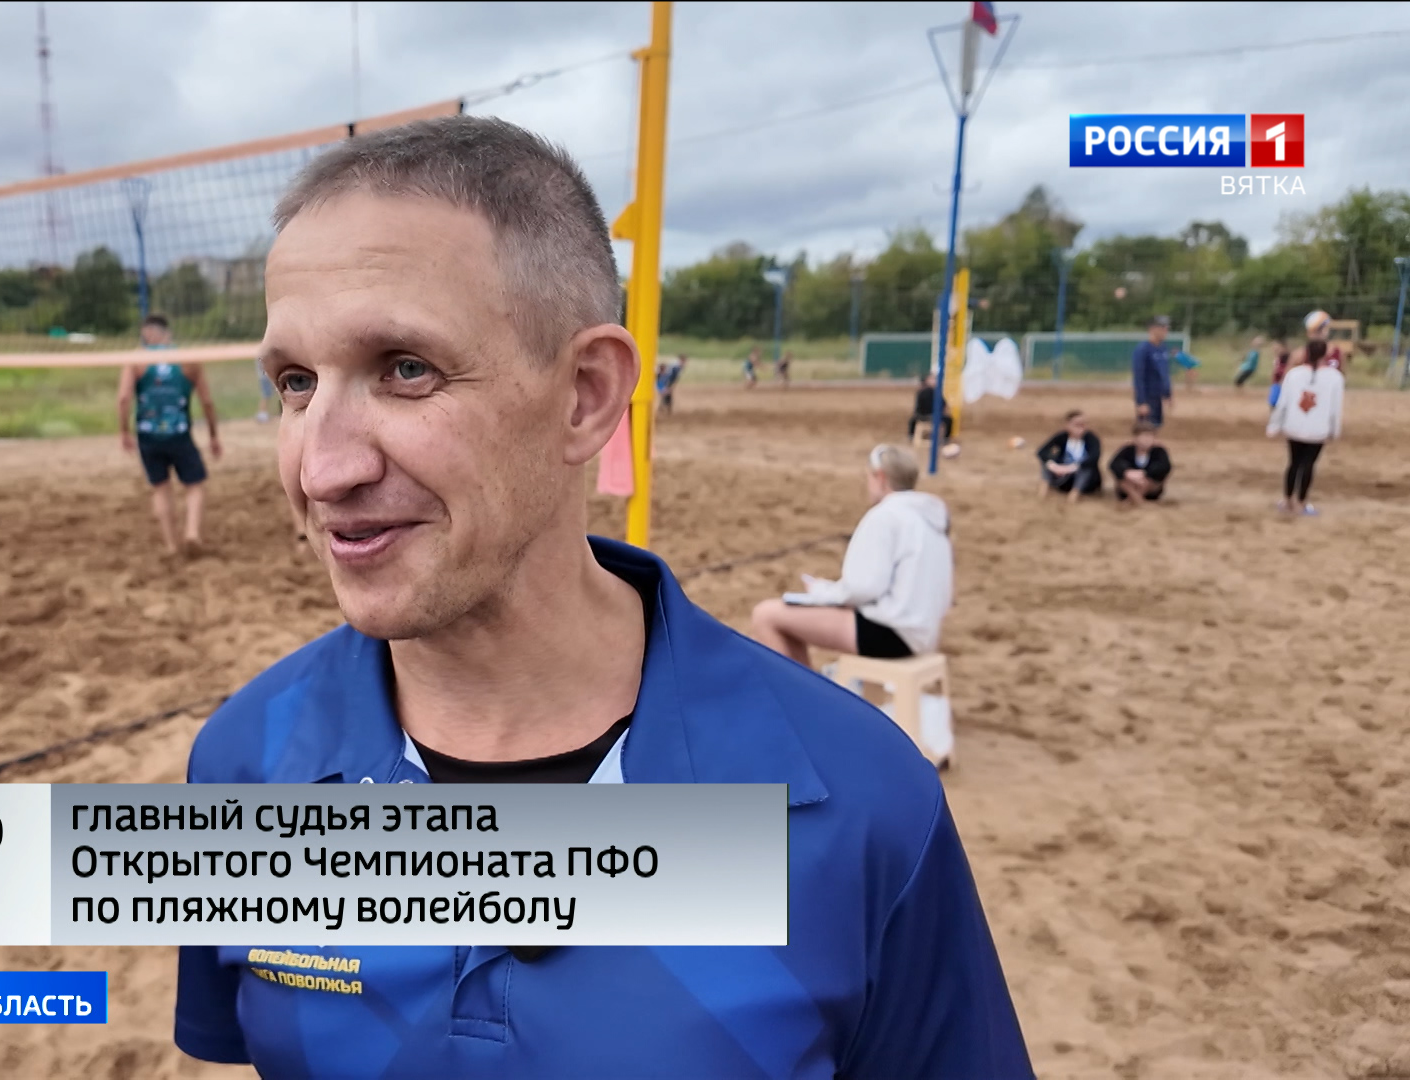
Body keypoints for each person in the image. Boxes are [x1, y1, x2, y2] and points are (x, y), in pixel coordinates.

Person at [175, 115, 1030, 1079]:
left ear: (585, 394)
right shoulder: (243, 760)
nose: (320, 469)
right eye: (295, 382)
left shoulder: (866, 805)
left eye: (406, 369)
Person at [750, 444, 953, 670]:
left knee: (766, 615)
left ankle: (802, 692)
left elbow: (863, 589)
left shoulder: (885, 516)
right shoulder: (931, 518)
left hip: (891, 632)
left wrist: (822, 592)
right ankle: (806, 688)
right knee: (790, 618)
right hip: (923, 632)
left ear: (880, 477)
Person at [117, 314, 222, 554]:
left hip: (148, 434)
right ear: (168, 333)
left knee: (161, 488)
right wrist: (213, 436)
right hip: (179, 433)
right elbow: (207, 402)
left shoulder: (136, 359)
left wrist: (124, 431)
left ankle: (171, 545)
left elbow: (123, 399)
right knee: (194, 484)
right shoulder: (188, 360)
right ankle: (192, 533)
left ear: (145, 334)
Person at [1267, 339, 1344, 517]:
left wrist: (1274, 425)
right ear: (1325, 354)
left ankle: (1287, 501)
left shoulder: (1293, 374)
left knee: (1293, 463)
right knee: (1309, 464)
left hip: (1294, 426)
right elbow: (1336, 408)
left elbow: (1282, 402)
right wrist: (1335, 430)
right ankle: (1301, 503)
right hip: (1318, 430)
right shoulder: (1335, 377)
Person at [1035, 409, 1102, 501]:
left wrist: (1072, 468)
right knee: (1046, 462)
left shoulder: (1091, 439)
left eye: (1083, 424)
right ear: (1068, 425)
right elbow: (1042, 452)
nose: (1080, 428)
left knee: (1086, 468)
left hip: (1084, 479)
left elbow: (1094, 457)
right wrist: (1054, 466)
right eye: (1077, 424)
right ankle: (1043, 492)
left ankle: (1074, 495)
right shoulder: (1062, 437)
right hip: (1063, 477)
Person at [1108, 420, 1172, 508]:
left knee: (1146, 483)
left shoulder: (1159, 452)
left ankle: (1132, 501)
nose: (1146, 440)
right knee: (1124, 483)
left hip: (1150, 486)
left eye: (1149, 437)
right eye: (1143, 437)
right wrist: (1127, 472)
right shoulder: (1127, 450)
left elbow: (1164, 466)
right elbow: (1114, 464)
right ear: (1135, 438)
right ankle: (1139, 501)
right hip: (1129, 483)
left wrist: (1144, 474)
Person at [1130, 315, 1175, 425]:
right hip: (1148, 397)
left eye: (1166, 328)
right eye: (1162, 327)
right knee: (1146, 429)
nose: (1165, 331)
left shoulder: (1163, 348)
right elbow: (1138, 377)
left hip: (1158, 398)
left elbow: (1164, 373)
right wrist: (1141, 402)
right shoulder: (1142, 349)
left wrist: (1168, 394)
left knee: (1156, 427)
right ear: (1152, 329)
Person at [906, 372, 951, 441]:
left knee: (913, 420)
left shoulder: (932, 392)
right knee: (948, 420)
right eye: (932, 379)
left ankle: (911, 436)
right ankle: (946, 438)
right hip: (927, 415)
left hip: (925, 415)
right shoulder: (927, 392)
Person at [253, 356, 276, 423]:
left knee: (268, 395)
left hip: (265, 377)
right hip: (265, 378)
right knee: (266, 395)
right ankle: (262, 414)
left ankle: (264, 413)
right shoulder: (262, 356)